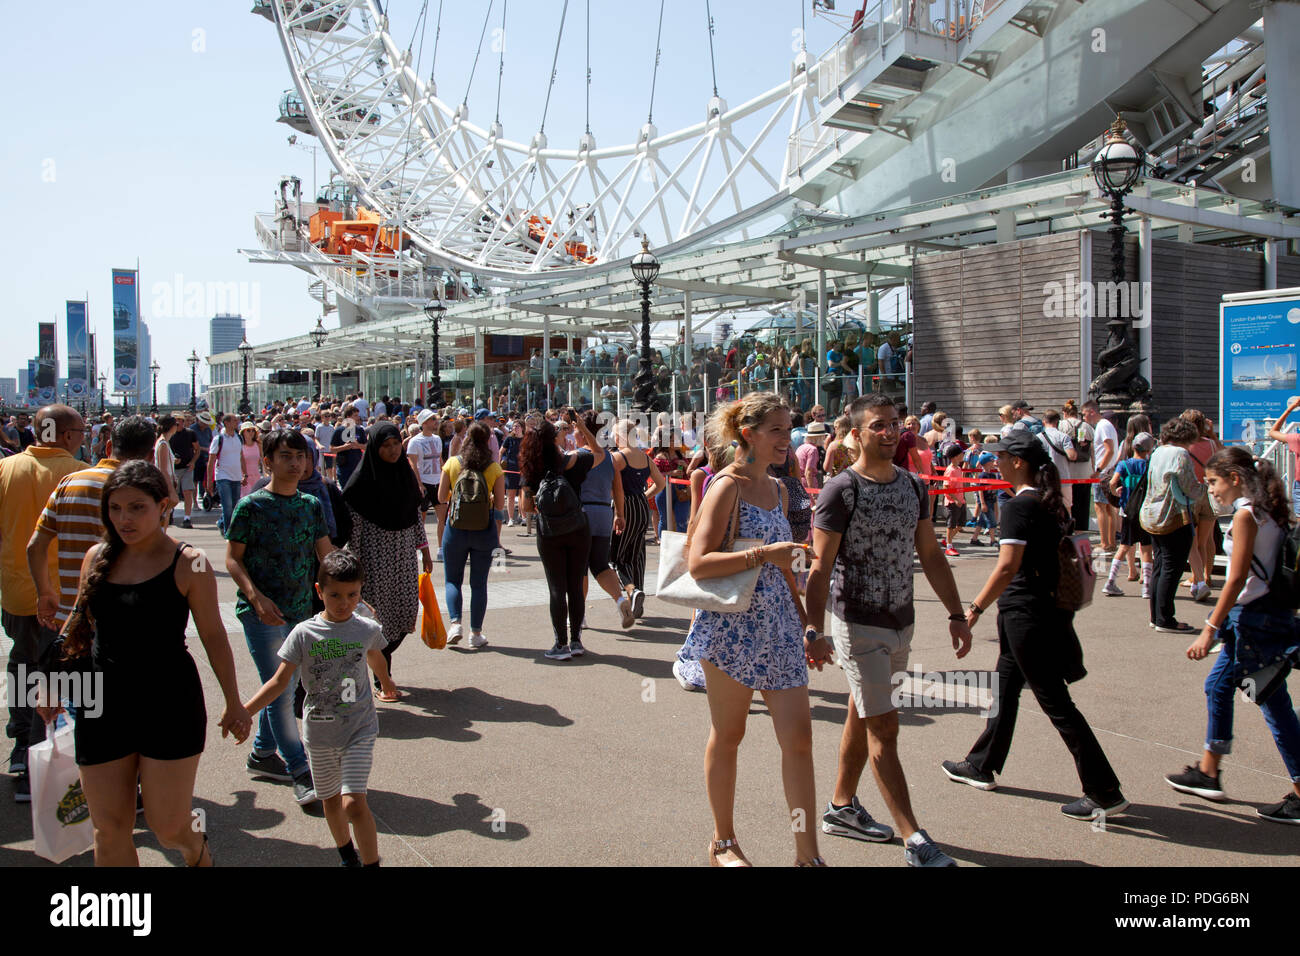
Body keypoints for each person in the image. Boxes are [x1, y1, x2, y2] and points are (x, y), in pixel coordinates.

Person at [39, 459, 252, 865]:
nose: (124, 518)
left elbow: (213, 636)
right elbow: (77, 626)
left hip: (169, 703)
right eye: (115, 508)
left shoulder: (189, 562)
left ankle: (196, 848)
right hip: (101, 704)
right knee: (109, 828)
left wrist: (233, 701)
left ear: (164, 506)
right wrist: (49, 684)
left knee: (167, 825)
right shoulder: (96, 556)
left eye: (137, 507)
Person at [804, 394, 969, 866]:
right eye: (878, 425)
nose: (890, 431)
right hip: (857, 624)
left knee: (864, 710)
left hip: (902, 622)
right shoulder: (841, 490)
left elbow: (932, 556)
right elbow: (820, 567)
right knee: (885, 729)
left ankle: (840, 807)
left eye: (894, 423)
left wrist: (958, 615)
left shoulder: (914, 486)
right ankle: (914, 839)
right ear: (855, 434)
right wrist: (813, 630)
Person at [940, 431, 1129, 822]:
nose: (995, 464)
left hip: (1027, 615)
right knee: (1005, 690)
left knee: (1056, 703)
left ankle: (1104, 791)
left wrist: (973, 609)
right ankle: (981, 764)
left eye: (1001, 458)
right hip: (1039, 611)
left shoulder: (1018, 506)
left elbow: (1008, 566)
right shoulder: (1051, 503)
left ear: (1018, 463)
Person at [678, 392, 827, 866]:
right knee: (730, 734)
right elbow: (698, 563)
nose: (788, 439)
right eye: (777, 430)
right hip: (729, 629)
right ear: (749, 434)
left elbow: (786, 566)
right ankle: (723, 841)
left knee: (799, 739)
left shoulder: (780, 489)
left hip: (780, 624)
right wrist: (766, 554)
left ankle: (808, 855)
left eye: (790, 428)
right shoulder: (727, 485)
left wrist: (808, 625)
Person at [1165, 447, 1300, 823]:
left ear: (1235, 478)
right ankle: (1209, 771)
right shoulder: (1270, 510)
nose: (1211, 491)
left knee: (1274, 706)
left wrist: (1209, 629)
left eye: (1213, 482)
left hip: (1253, 621)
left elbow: (1237, 577)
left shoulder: (1246, 515)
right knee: (1219, 686)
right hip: (1265, 617)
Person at [243, 550, 395, 865]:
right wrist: (244, 711)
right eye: (335, 595)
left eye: (353, 594)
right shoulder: (304, 634)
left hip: (359, 728)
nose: (344, 603)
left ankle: (371, 863)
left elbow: (375, 655)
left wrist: (385, 681)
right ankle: (347, 857)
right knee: (331, 801)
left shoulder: (365, 628)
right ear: (319, 592)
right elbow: (279, 681)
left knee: (353, 803)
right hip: (320, 732)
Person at [226, 429, 334, 805]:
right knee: (282, 690)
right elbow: (232, 558)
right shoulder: (251, 507)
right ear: (267, 461)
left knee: (284, 689)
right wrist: (255, 597)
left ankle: (261, 755)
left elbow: (326, 554)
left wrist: (350, 592)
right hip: (263, 615)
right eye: (286, 456)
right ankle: (301, 770)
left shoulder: (310, 504)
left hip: (302, 610)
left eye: (301, 456)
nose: (295, 463)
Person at [0, 404, 85, 797]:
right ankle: (58, 757)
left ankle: (21, 747)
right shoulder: (80, 473)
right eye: (81, 431)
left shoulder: (7, 469)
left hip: (18, 589)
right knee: (71, 676)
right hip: (67, 595)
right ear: (67, 435)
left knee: (23, 664)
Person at [29, 415, 156, 636]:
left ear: (109, 446)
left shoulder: (69, 483)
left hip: (71, 616)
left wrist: (45, 592)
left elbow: (35, 546)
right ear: (151, 455)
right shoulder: (145, 495)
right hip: (124, 619)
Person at [343, 423, 434, 689]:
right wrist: (356, 567)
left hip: (404, 556)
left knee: (406, 611)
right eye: (386, 445)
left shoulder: (403, 475)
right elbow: (355, 530)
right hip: (374, 558)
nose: (393, 450)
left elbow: (415, 516)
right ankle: (383, 678)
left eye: (396, 443)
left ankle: (378, 663)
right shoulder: (362, 483)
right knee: (378, 618)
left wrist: (425, 550)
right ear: (375, 447)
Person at [519, 416, 596, 660]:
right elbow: (600, 453)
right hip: (578, 528)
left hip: (550, 530)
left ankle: (560, 644)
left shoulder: (531, 468)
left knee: (556, 587)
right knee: (575, 586)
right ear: (555, 439)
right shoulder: (572, 460)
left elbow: (526, 508)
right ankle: (576, 641)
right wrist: (581, 427)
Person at [439, 421, 504, 650]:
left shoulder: (452, 463)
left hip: (455, 527)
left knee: (452, 579)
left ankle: (455, 623)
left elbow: (441, 497)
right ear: (488, 441)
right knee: (479, 583)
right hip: (483, 528)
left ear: (466, 438)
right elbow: (500, 504)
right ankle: (476, 633)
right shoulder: (494, 468)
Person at [572, 411, 637, 630]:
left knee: (579, 567)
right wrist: (620, 514)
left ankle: (579, 615)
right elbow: (617, 488)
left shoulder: (577, 456)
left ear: (583, 431)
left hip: (581, 513)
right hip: (603, 513)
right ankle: (620, 600)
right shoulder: (610, 457)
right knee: (600, 564)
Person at [1141, 417, 1202, 633]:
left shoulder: (1158, 451)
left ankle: (1156, 616)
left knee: (1160, 566)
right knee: (1171, 568)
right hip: (1173, 515)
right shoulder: (1180, 454)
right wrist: (1205, 490)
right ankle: (1166, 619)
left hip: (1152, 513)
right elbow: (1189, 486)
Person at [610, 418, 664, 618]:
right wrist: (644, 497)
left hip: (624, 506)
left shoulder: (618, 457)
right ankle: (637, 594)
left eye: (616, 435)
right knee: (638, 553)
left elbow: (613, 489)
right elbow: (660, 484)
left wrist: (619, 512)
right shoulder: (645, 457)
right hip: (641, 506)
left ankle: (633, 590)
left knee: (617, 557)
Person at [1104, 432, 1156, 598]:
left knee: (1124, 546)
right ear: (1148, 450)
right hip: (1145, 511)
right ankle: (1147, 586)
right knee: (1146, 548)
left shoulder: (1124, 465)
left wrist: (1116, 492)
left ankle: (1111, 581)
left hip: (1128, 510)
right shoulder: (1149, 466)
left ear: (1133, 446)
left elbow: (1112, 482)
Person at [1083, 400, 1119, 553]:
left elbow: (1109, 449)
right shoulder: (1106, 425)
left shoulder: (1102, 425)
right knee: (1110, 508)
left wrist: (1099, 469)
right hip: (1109, 471)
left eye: (1084, 414)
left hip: (1104, 472)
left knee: (1100, 506)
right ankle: (1110, 542)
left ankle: (1105, 542)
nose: (1084, 418)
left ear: (1092, 412)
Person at [1060, 400, 1094, 534]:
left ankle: (1067, 531)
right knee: (1082, 505)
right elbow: (1093, 450)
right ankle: (1081, 533)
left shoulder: (1061, 426)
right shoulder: (1087, 427)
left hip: (1066, 472)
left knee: (1066, 505)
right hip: (1084, 472)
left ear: (1064, 413)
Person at [208, 415, 243, 536]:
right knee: (227, 506)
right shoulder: (219, 439)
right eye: (234, 420)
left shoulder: (239, 438)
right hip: (223, 476)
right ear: (227, 423)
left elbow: (241, 456)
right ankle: (229, 531)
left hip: (237, 476)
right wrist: (209, 482)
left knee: (235, 506)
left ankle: (224, 524)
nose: (237, 422)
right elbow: (211, 461)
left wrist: (245, 473)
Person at [406, 409, 444, 523]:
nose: (436, 421)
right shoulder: (415, 441)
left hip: (438, 482)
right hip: (424, 483)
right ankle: (422, 541)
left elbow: (440, 460)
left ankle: (442, 542)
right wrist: (419, 484)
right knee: (420, 520)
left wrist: (445, 478)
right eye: (432, 419)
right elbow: (412, 464)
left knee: (443, 520)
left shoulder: (437, 439)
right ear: (424, 422)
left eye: (435, 418)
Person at [169, 413, 199, 530]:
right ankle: (171, 512)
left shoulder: (190, 434)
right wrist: (172, 460)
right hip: (173, 469)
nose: (178, 423)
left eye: (180, 420)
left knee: (187, 492)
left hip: (187, 467)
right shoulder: (169, 435)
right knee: (172, 493)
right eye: (175, 421)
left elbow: (197, 450)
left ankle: (187, 517)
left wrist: (193, 462)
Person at [331, 403, 368, 488]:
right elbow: (332, 449)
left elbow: (366, 446)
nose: (357, 418)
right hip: (344, 468)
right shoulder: (339, 431)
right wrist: (345, 447)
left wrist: (357, 445)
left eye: (357, 415)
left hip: (357, 467)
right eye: (355, 415)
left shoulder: (360, 430)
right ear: (348, 417)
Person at [941, 445, 968, 557]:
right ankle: (949, 546)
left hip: (961, 501)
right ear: (956, 456)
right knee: (951, 525)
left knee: (961, 524)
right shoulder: (950, 470)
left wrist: (962, 498)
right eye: (962, 453)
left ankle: (948, 539)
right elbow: (946, 487)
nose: (963, 455)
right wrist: (955, 499)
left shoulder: (959, 469)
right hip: (952, 502)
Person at [153, 415, 179, 521]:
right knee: (164, 517)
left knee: (166, 516)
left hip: (164, 482)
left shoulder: (164, 442)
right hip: (164, 484)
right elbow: (163, 469)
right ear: (172, 427)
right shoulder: (163, 443)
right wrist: (171, 488)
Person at [796, 420, 828, 490]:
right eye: (823, 437)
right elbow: (808, 472)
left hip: (798, 482)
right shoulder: (813, 449)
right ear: (819, 437)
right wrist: (812, 490)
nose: (824, 439)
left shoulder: (801, 447)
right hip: (807, 484)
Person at [238, 421, 262, 497]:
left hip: (256, 476)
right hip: (244, 477)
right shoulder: (240, 445)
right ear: (243, 432)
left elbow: (262, 459)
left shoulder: (258, 444)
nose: (251, 432)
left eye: (253, 430)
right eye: (248, 430)